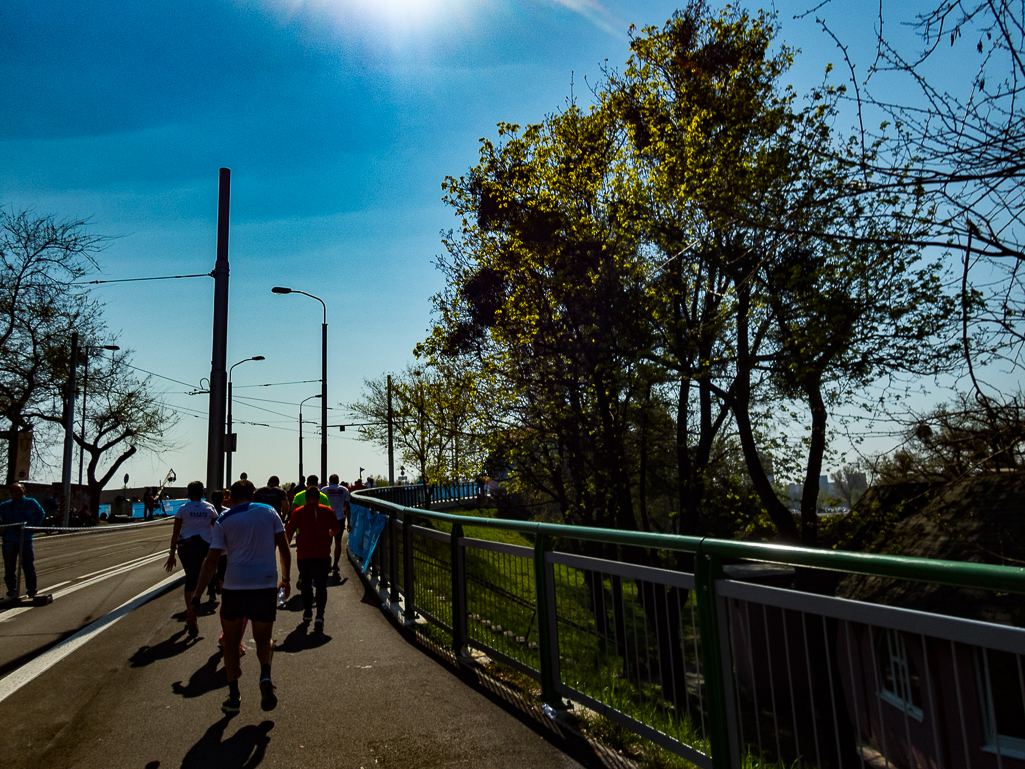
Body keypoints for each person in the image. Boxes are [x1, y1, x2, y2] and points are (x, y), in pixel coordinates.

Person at [187, 479, 291, 715]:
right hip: (264, 584)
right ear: (254, 495)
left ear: (230, 499)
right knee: (264, 640)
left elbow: (211, 561)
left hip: (234, 587)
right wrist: (285, 579)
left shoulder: (224, 520)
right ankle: (265, 674)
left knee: (231, 643)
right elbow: (284, 547)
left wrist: (196, 597)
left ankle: (234, 696)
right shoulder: (270, 512)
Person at [284, 483, 339, 631]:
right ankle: (320, 615)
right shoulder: (327, 511)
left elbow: (289, 531)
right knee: (321, 585)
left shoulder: (298, 512)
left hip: (304, 554)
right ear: (318, 498)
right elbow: (335, 529)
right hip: (322, 554)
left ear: (307, 498)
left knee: (306, 584)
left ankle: (308, 611)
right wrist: (327, 534)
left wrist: (286, 547)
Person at [164, 481, 217, 631]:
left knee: (190, 578)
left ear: (188, 493)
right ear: (203, 493)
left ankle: (190, 612)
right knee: (203, 577)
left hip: (186, 546)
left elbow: (176, 532)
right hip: (204, 545)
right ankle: (194, 610)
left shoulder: (183, 509)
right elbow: (217, 527)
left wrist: (172, 553)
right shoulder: (209, 507)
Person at [0, 484, 46, 598]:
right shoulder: (5, 505)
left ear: (24, 491)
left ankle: (32, 591)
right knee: (10, 567)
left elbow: (41, 513)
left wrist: (35, 526)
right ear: (11, 493)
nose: (17, 493)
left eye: (19, 490)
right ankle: (12, 590)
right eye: (14, 491)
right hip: (9, 539)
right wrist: (2, 526)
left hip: (26, 539)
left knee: (28, 566)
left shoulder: (31, 502)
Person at [322, 474, 351, 574]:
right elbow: (347, 507)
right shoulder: (344, 490)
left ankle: (327, 564)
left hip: (327, 519)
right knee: (338, 542)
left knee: (327, 543)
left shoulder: (324, 490)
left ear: (329, 481)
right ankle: (335, 565)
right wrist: (349, 522)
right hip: (340, 518)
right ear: (338, 481)